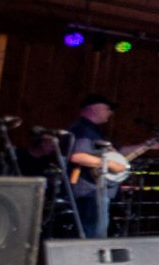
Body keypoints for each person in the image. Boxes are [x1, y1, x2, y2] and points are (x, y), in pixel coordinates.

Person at [61, 94, 146, 239]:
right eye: (107, 108)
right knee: (92, 233)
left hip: (95, 191)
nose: (110, 113)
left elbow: (118, 151)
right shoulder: (83, 130)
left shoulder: (94, 131)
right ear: (95, 109)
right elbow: (77, 156)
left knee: (96, 231)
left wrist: (147, 145)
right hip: (89, 191)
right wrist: (110, 164)